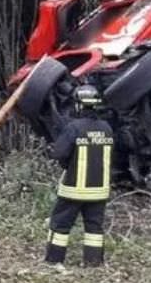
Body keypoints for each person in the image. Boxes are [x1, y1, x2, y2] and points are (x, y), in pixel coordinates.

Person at [44, 83, 113, 267]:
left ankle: (54, 260)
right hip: (99, 191)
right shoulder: (107, 128)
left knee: (60, 225)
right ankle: (93, 263)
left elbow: (59, 153)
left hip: (74, 189)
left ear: (78, 105)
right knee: (94, 229)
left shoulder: (74, 128)